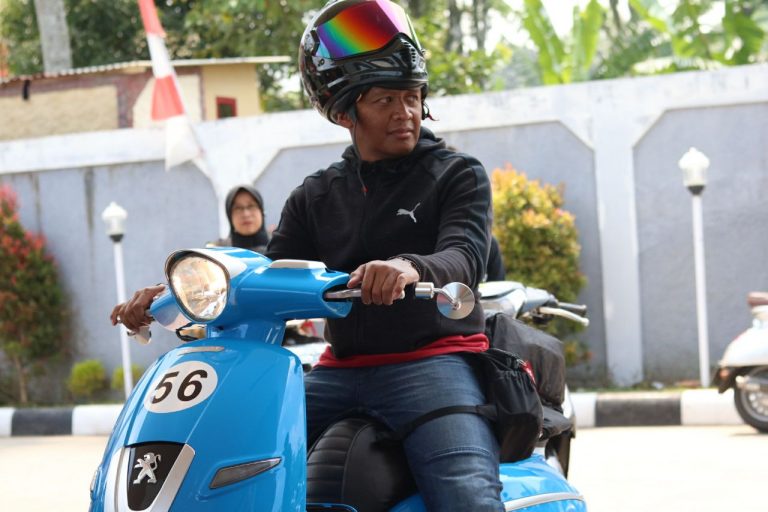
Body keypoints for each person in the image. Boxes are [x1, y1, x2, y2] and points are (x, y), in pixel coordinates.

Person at [112, 1, 502, 509]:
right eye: (385, 99)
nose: (404, 112)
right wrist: (170, 295)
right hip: (340, 370)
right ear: (344, 112)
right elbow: (259, 277)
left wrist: (408, 267)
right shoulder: (316, 195)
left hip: (431, 362)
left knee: (466, 494)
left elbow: (464, 253)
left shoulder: (457, 174)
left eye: (412, 96)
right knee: (224, 448)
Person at [209, 184, 270, 253]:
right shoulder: (218, 253)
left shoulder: (277, 247)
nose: (246, 214)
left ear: (261, 211)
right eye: (238, 208)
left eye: (251, 206)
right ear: (230, 216)